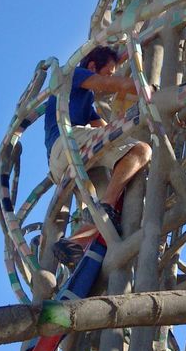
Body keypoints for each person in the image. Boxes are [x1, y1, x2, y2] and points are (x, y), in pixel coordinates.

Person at [44, 45, 152, 266]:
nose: (111, 76)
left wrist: (121, 115)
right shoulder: (75, 73)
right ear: (93, 66)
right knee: (142, 150)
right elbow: (114, 84)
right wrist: (147, 91)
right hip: (69, 143)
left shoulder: (84, 102)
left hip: (63, 163)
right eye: (108, 71)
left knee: (110, 200)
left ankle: (75, 242)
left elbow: (107, 129)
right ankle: (107, 206)